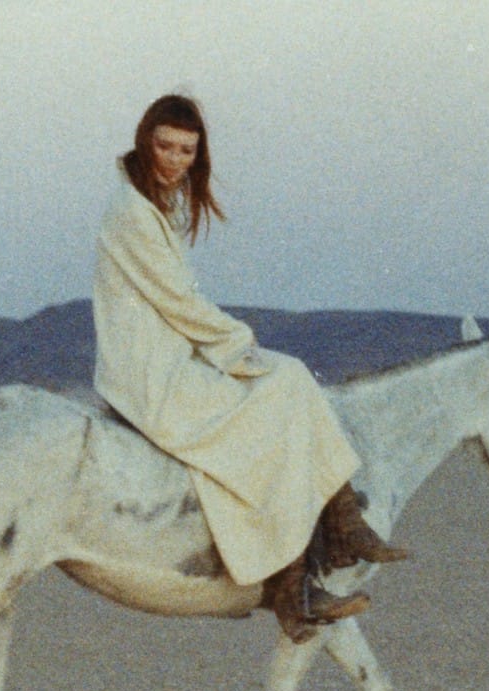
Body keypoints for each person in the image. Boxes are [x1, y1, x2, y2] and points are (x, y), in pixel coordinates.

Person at [91, 94, 407, 642]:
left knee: (287, 377)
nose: (173, 159)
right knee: (281, 382)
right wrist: (240, 344)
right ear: (145, 141)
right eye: (164, 146)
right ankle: (312, 557)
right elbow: (178, 301)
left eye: (186, 150)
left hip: (171, 355)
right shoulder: (131, 214)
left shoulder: (161, 204)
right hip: (149, 371)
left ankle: (335, 528)